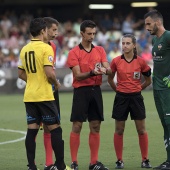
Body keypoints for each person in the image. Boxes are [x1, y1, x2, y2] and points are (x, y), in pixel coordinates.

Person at [18, 18, 71, 170]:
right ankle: (60, 165)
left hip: (29, 96)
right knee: (56, 129)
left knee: (32, 130)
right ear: (42, 31)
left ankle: (32, 166)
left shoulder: (24, 49)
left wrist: (33, 81)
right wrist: (56, 83)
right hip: (44, 96)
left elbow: (20, 73)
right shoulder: (46, 48)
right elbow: (49, 72)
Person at [67, 20, 111, 170]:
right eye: (89, 33)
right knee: (77, 125)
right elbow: (78, 76)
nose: (92, 36)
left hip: (95, 90)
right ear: (81, 34)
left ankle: (94, 162)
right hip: (81, 91)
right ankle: (74, 162)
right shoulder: (74, 52)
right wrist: (93, 72)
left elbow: (108, 67)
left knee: (96, 126)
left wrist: (108, 70)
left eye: (94, 33)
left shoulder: (100, 50)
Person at [108, 34, 152, 169]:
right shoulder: (115, 61)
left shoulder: (141, 61)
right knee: (119, 130)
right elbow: (110, 79)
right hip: (121, 98)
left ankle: (145, 160)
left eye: (128, 43)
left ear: (134, 45)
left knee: (141, 129)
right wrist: (119, 91)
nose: (125, 46)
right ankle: (119, 160)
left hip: (136, 98)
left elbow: (148, 80)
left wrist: (139, 88)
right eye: (123, 43)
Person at [144, 10, 170, 170]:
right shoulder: (155, 40)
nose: (146, 27)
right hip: (158, 89)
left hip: (167, 90)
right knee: (165, 125)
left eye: (148, 24)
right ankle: (168, 160)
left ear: (157, 22)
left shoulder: (167, 36)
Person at [42, 16, 61, 170]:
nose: (56, 33)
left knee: (53, 125)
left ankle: (50, 163)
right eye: (54, 29)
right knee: (36, 127)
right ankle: (43, 163)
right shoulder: (35, 47)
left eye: (57, 30)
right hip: (41, 92)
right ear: (45, 30)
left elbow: (51, 68)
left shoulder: (53, 46)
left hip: (51, 91)